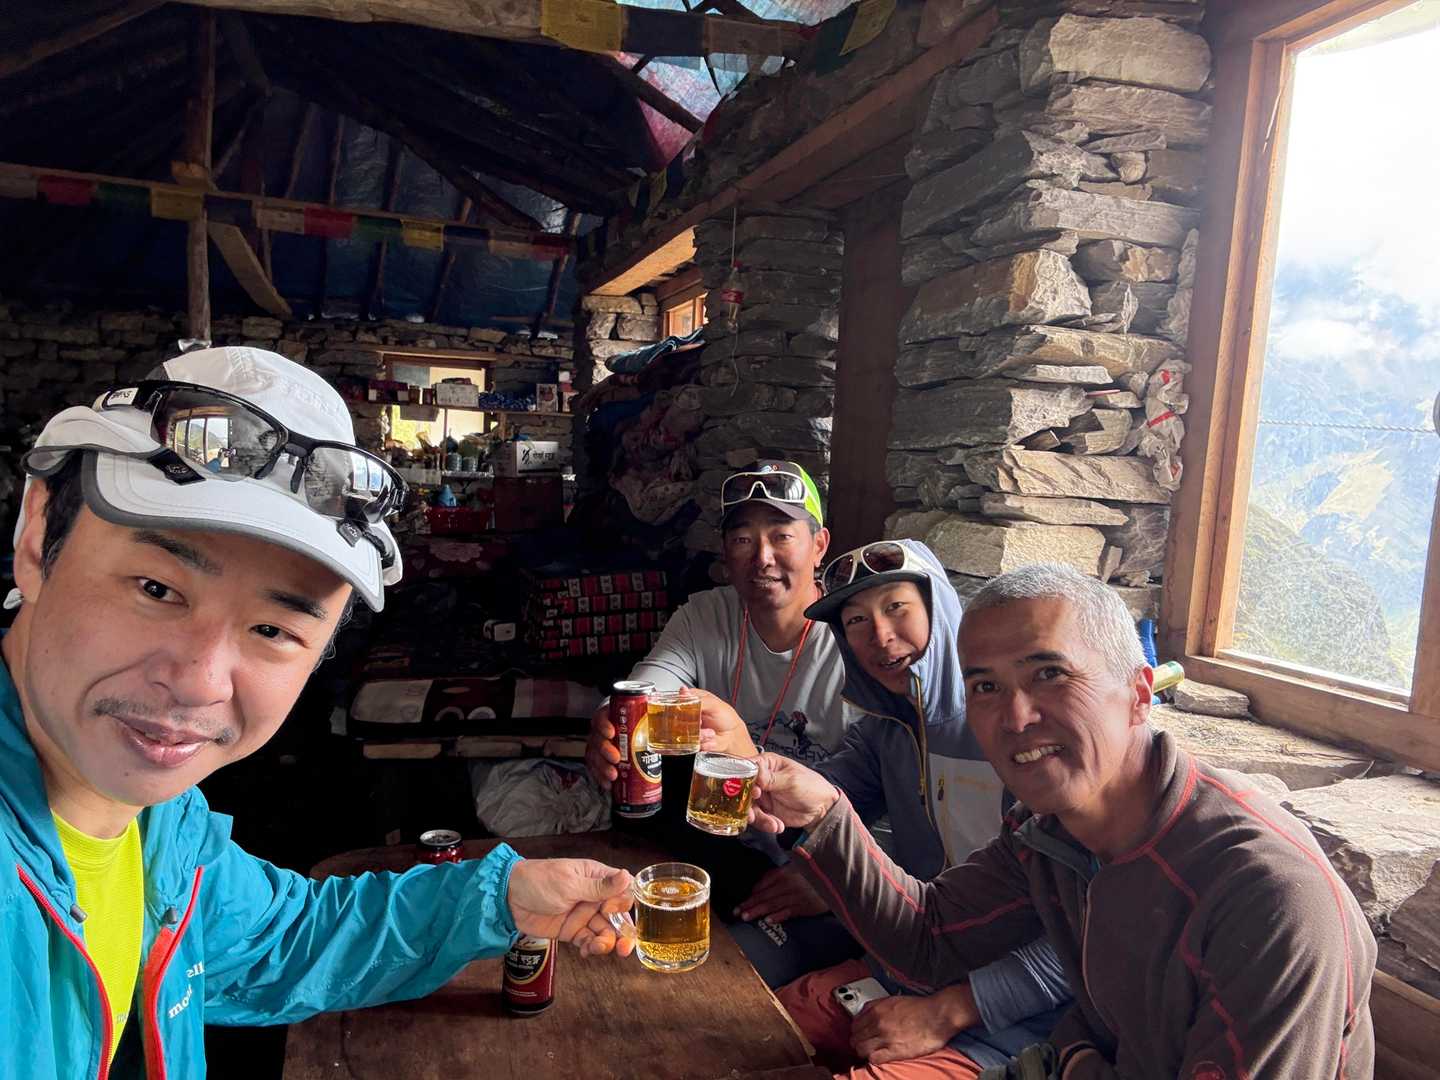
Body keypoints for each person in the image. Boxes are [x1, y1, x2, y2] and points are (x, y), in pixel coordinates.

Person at [0, 347, 634, 1078]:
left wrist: (501, 899)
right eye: (156, 589)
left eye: (272, 630)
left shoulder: (159, 828)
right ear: (36, 540)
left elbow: (275, 943)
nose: (202, 683)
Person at [746, 563, 1376, 1079]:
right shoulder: (1048, 831)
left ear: (1138, 694)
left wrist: (1047, 1047)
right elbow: (930, 940)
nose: (1015, 717)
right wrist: (823, 813)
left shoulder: (1267, 898)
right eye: (986, 687)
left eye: (1049, 674)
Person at [704, 540, 1070, 1076]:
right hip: (906, 969)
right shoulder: (887, 730)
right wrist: (744, 763)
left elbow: (1081, 944)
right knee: (729, 1036)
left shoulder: (1026, 745)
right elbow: (805, 812)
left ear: (941, 610)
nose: (879, 636)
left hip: (1016, 1023)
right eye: (856, 621)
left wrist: (950, 1010)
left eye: (897, 607)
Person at [583, 460, 856, 979]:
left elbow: (889, 800)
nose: (762, 557)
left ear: (819, 545)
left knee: (725, 975)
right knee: (618, 944)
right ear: (726, 553)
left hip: (815, 865)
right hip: (718, 845)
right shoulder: (705, 616)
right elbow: (649, 686)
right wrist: (609, 727)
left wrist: (836, 876)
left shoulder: (855, 639)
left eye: (782, 536)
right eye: (743, 539)